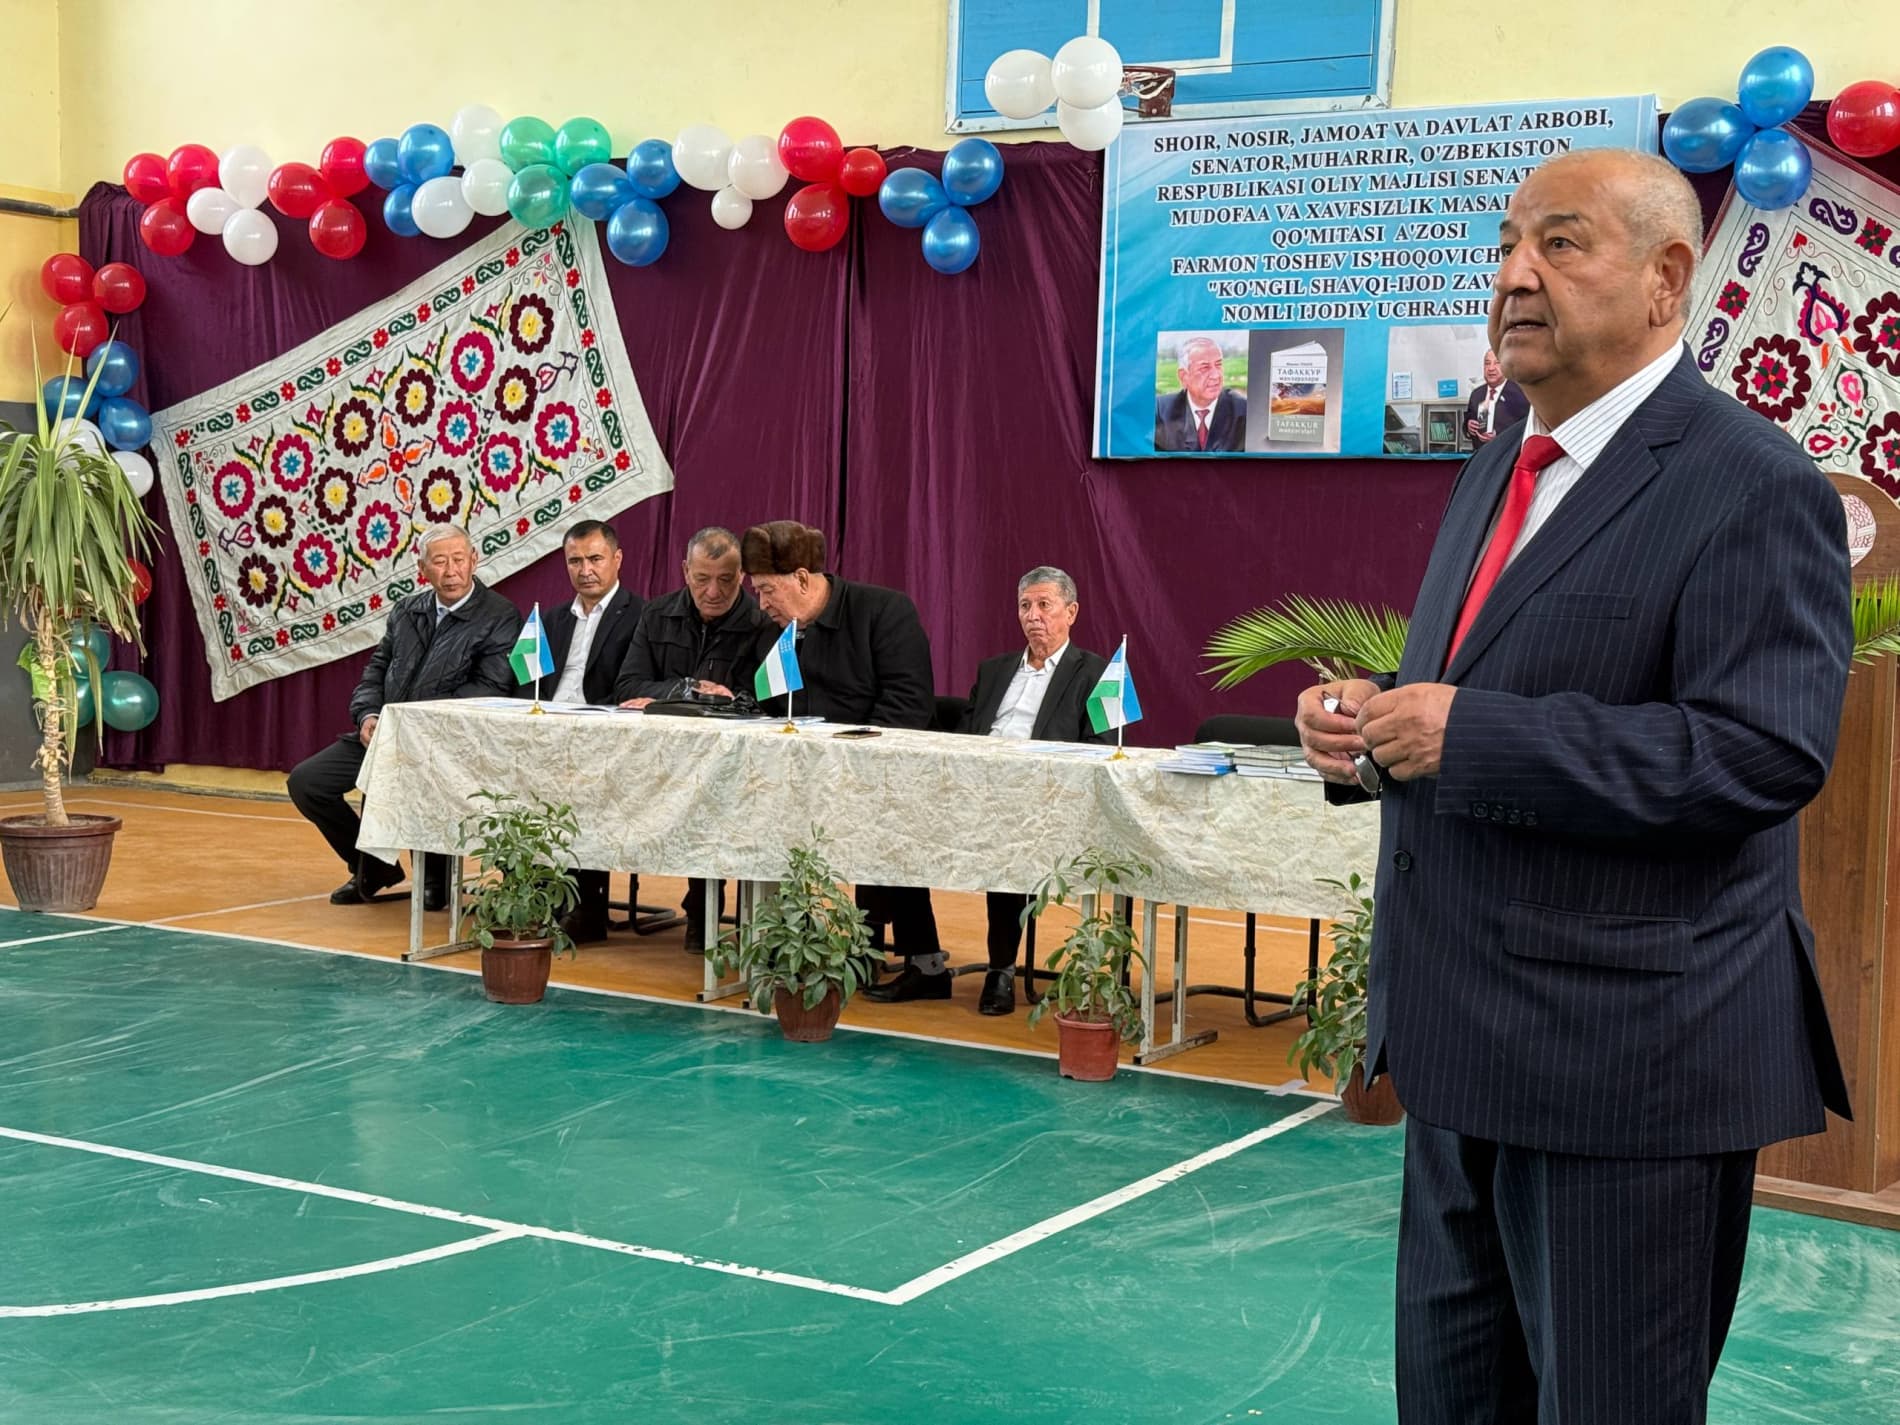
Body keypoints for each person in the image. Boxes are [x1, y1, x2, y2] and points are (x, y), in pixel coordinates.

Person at [1294, 148, 1853, 1425]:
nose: (1511, 277)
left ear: (1666, 279)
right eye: (1502, 247)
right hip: (1458, 1047)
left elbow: (1761, 753)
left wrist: (1472, 736)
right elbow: (1495, 676)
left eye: (1559, 244)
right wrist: (1369, 723)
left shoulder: (1748, 483)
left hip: (1626, 1075)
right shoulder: (1498, 467)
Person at [740, 520, 945, 1001]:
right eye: (757, 591)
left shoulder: (885, 612)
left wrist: (844, 759)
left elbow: (910, 706)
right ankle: (795, 943)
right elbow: (764, 700)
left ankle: (924, 962)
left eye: (768, 590)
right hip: (804, 774)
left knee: (880, 816)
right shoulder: (776, 630)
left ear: (804, 579)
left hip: (883, 770)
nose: (762, 603)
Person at [288, 524, 522, 908]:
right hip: (387, 733)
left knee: (433, 901)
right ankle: (371, 866)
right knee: (307, 781)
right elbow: (376, 671)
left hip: (445, 743)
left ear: (474, 561)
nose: (451, 571)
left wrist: (414, 724)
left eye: (459, 560)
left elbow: (491, 688)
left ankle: (434, 875)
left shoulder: (500, 615)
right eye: (440, 562)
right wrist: (366, 716)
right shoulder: (407, 610)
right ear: (422, 568)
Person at [959, 566, 1109, 1015]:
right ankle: (921, 958)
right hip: (982, 791)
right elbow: (968, 735)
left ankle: (1000, 969)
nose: (1033, 615)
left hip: (1049, 799)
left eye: (1045, 605)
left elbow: (1105, 747)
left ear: (1071, 612)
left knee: (1011, 844)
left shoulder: (1097, 672)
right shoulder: (994, 670)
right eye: (1025, 605)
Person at [614, 525, 770, 951]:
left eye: (725, 579)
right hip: (658, 755)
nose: (713, 591)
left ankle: (705, 910)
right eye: (702, 579)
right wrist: (688, 690)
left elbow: (767, 700)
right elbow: (628, 685)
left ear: (742, 577)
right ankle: (586, 907)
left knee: (712, 804)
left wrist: (730, 699)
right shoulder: (657, 613)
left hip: (731, 762)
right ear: (685, 571)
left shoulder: (761, 624)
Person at [517, 519, 643, 942]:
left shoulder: (641, 616)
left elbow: (633, 685)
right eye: (575, 561)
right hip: (546, 729)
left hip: (601, 735)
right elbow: (524, 681)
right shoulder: (550, 620)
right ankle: (531, 895)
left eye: (594, 559)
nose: (585, 569)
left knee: (579, 786)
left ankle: (585, 906)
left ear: (617, 559)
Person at [1154, 335, 1246, 452]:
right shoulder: (1160, 410)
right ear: (1184, 376)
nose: (1215, 375)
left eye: (1218, 365)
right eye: (1204, 368)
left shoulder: (1243, 410)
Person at [1462, 346, 1529, 448]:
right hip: (1481, 456)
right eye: (1487, 363)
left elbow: (1526, 429)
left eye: (1497, 363)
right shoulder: (1476, 394)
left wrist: (1498, 437)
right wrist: (1468, 426)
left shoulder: (1519, 394)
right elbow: (1467, 421)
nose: (1491, 368)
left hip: (1507, 456)